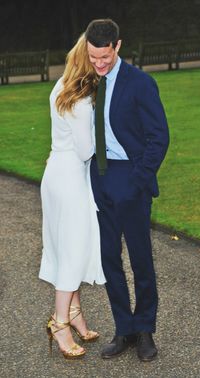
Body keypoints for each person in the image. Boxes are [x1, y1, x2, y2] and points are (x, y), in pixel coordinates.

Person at [85, 19, 169, 362]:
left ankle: (145, 328)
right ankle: (124, 329)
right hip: (99, 178)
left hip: (129, 178)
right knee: (109, 260)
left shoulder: (140, 83)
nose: (100, 64)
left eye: (105, 57)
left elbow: (158, 137)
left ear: (118, 46)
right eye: (93, 57)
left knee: (140, 259)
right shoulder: (87, 80)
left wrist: (137, 180)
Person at [39, 33, 106, 359]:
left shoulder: (60, 87)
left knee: (64, 246)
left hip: (54, 176)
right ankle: (60, 322)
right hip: (71, 180)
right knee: (74, 251)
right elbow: (85, 150)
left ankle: (76, 315)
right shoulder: (80, 100)